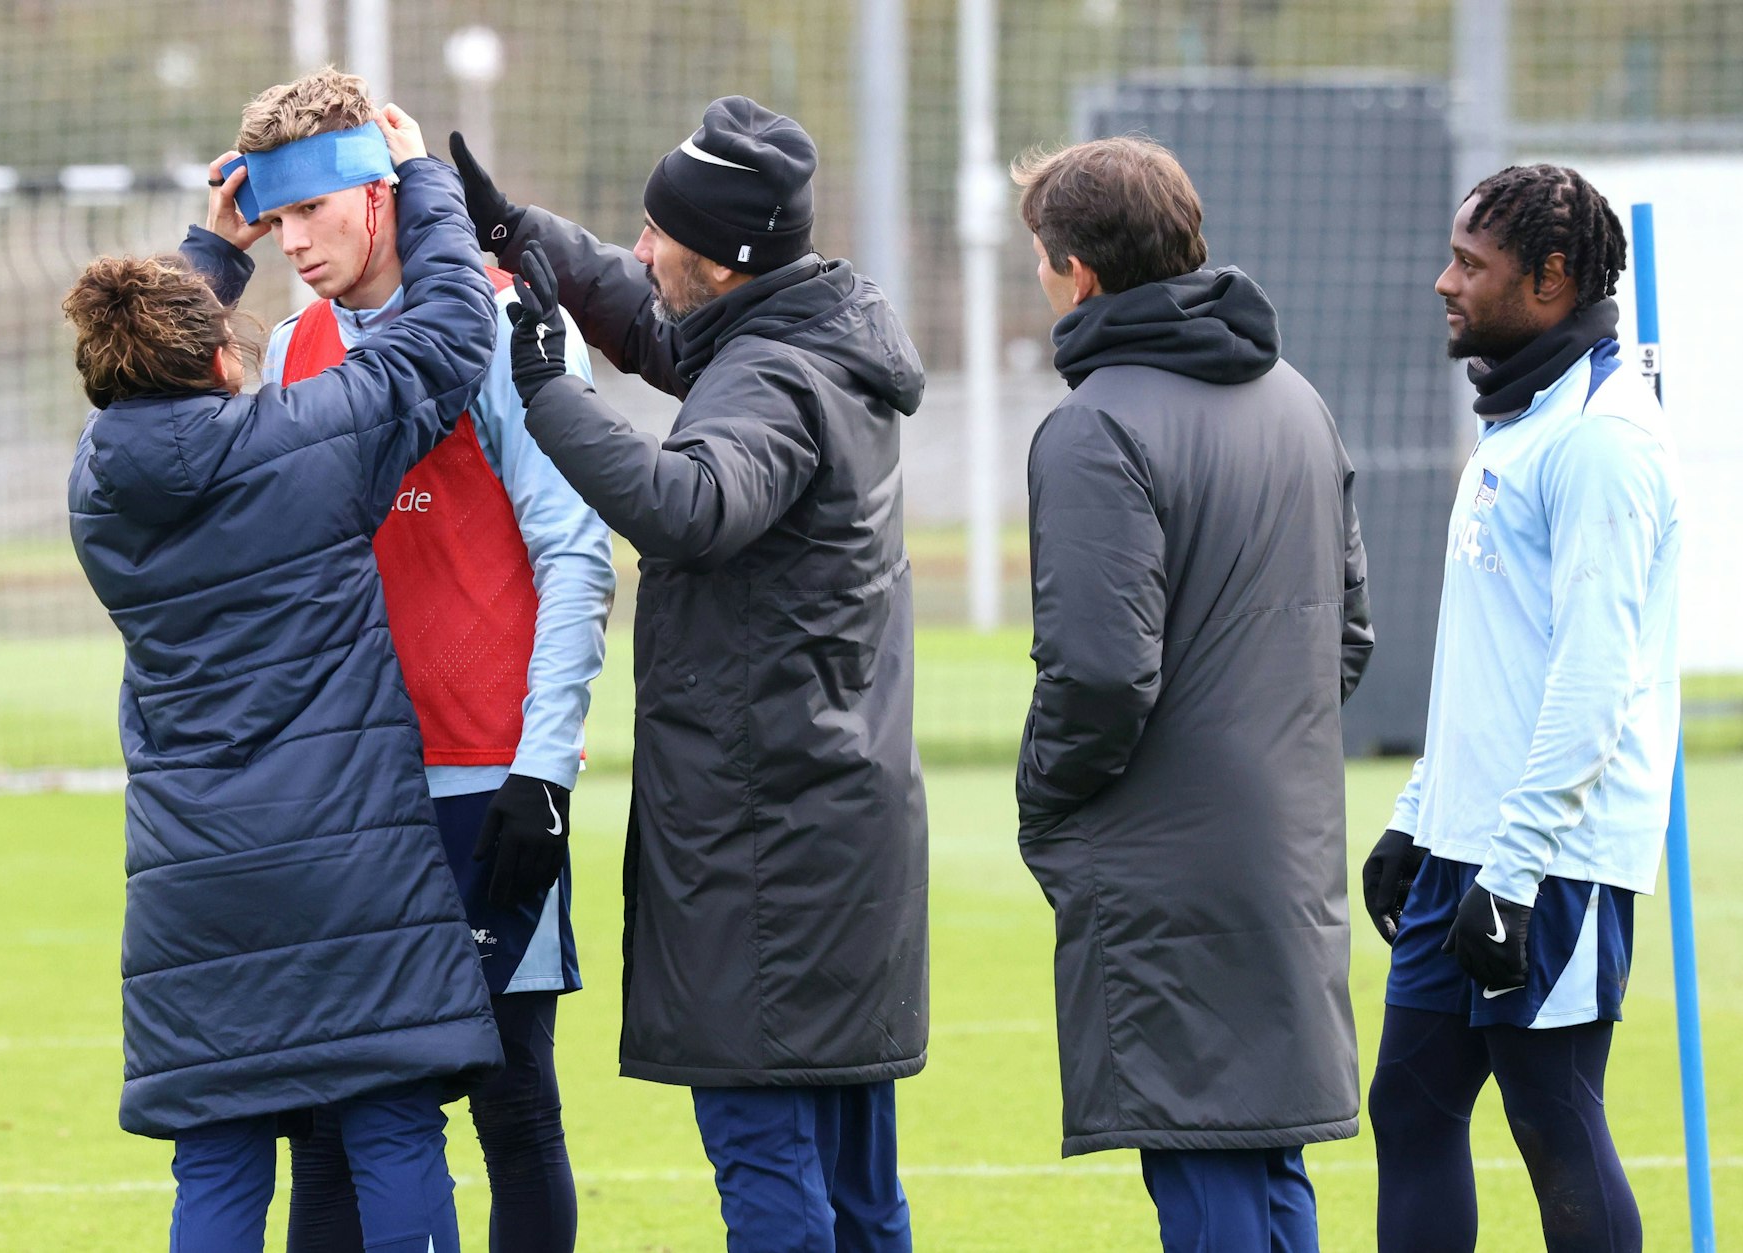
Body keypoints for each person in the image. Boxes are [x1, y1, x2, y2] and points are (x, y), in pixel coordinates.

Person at [448, 95, 928, 1252]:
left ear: (724, 260)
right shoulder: (800, 328)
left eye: (662, 232)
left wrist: (550, 387)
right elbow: (661, 326)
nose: (643, 246)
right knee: (858, 1176)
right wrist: (524, 236)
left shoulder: (771, 377)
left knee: (768, 1159)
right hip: (830, 824)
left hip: (764, 840)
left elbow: (690, 503)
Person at [64, 106, 503, 1253]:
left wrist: (207, 252)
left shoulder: (96, 491)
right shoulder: (302, 446)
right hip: (350, 856)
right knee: (393, 1126)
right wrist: (417, 178)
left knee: (215, 1153)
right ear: (221, 356)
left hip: (192, 877)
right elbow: (450, 332)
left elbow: (134, 382)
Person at [222, 68, 614, 1253]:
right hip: (341, 803)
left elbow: (574, 554)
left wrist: (544, 768)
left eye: (311, 213)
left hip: (486, 781)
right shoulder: (291, 347)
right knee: (334, 1120)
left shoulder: (503, 327)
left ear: (381, 196)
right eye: (271, 218)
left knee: (511, 1103)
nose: (291, 242)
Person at [1010, 137, 1374, 1252]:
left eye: (1038, 257)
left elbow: (1099, 673)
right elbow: (1346, 637)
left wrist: (1046, 802)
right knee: (1265, 1165)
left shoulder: (1093, 426)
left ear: (1075, 272)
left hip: (1168, 865)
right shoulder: (1295, 399)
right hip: (1283, 849)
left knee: (1210, 1168)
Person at [1361, 164, 1678, 1253]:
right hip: (1471, 837)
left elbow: (1593, 679)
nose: (1442, 281)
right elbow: (1490, 663)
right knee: (1406, 1106)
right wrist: (1418, 810)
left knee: (1549, 1119)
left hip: (1549, 857)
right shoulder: (1524, 415)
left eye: (1469, 264)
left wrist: (1508, 872)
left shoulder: (1598, 437)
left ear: (1547, 279)